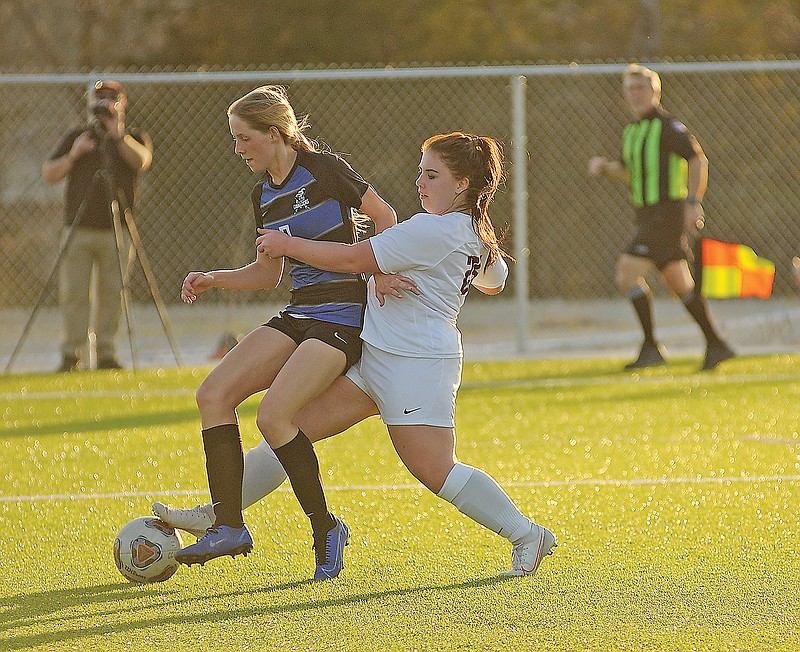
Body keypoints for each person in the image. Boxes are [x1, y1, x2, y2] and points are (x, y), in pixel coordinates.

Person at [157, 132, 557, 581]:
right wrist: (408, 273)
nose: (420, 182)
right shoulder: (468, 232)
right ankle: (219, 513)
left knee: (436, 471)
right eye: (420, 171)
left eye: (432, 175)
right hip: (379, 358)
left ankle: (527, 535)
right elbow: (494, 279)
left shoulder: (432, 229)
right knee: (288, 429)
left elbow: (351, 260)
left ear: (462, 183)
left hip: (416, 365)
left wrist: (290, 246)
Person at [169, 86, 397, 572]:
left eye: (244, 138)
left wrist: (375, 268)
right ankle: (229, 526)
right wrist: (214, 279)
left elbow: (384, 216)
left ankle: (325, 527)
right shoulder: (263, 196)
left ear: (275, 134)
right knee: (213, 395)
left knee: (274, 416)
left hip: (340, 316)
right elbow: (267, 274)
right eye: (234, 140)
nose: (238, 150)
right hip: (300, 311)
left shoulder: (326, 170)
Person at [588, 64, 735, 371]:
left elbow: (697, 158)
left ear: (655, 92)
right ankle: (716, 344)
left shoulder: (668, 127)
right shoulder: (631, 131)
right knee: (679, 283)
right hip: (646, 216)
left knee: (626, 274)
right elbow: (630, 173)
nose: (635, 94)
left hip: (667, 214)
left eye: (641, 88)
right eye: (630, 89)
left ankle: (651, 346)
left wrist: (694, 202)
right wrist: (604, 168)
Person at [42, 80, 154, 372]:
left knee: (112, 292)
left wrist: (117, 134)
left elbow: (143, 161)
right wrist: (74, 154)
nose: (105, 103)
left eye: (111, 98)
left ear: (123, 101)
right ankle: (72, 354)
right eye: (100, 98)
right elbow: (49, 173)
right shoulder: (78, 137)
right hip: (77, 228)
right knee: (74, 292)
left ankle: (105, 353)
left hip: (117, 228)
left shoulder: (132, 137)